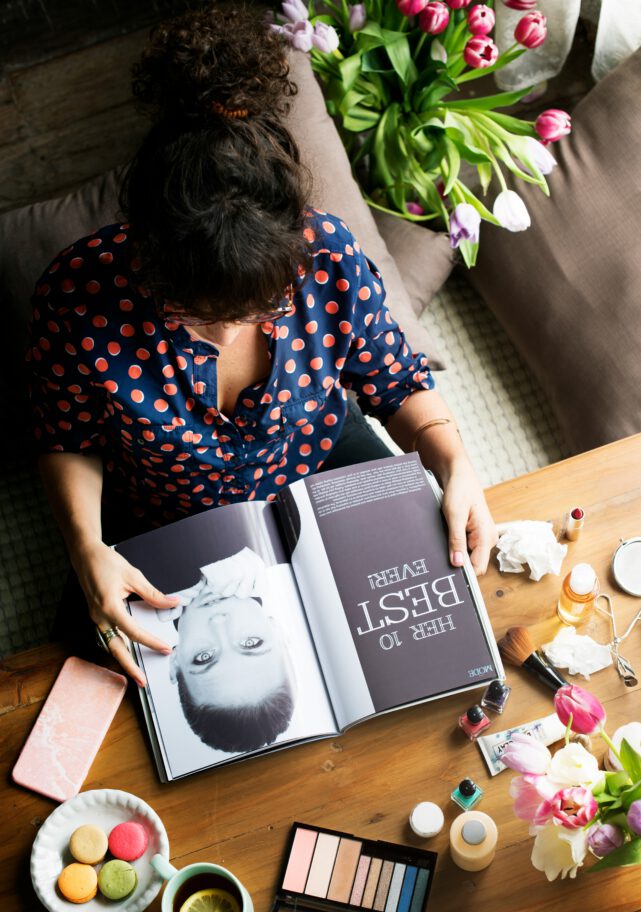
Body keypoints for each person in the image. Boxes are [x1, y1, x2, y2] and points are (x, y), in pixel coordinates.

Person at [27, 4, 498, 689]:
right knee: (86, 681)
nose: (224, 337)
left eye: (261, 309)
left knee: (429, 642)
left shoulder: (329, 254)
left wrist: (454, 464)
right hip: (157, 504)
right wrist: (84, 545)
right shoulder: (77, 296)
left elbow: (396, 386)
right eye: (190, 316)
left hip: (318, 454)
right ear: (146, 262)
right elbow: (67, 435)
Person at [157, 548, 295, 753]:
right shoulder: (280, 546)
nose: (219, 624)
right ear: (278, 632)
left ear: (175, 661)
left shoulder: (124, 588)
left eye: (204, 657)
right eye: (251, 643)